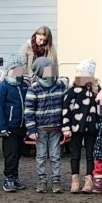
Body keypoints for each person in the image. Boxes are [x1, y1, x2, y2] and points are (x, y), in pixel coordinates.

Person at [25, 57, 67, 193]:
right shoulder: (34, 88)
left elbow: (66, 107)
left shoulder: (60, 85)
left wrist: (65, 125)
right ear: (40, 72)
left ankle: (56, 181)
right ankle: (42, 181)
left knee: (55, 156)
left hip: (56, 127)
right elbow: (29, 110)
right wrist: (31, 129)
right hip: (40, 128)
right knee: (41, 156)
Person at [62, 60, 100, 194]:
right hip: (75, 128)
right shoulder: (71, 92)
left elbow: (101, 110)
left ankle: (89, 179)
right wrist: (66, 128)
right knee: (75, 154)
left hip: (91, 128)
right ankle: (75, 179)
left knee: (90, 154)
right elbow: (66, 110)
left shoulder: (96, 91)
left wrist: (100, 125)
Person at [0, 55, 29, 193]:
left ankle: (15, 177)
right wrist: (2, 127)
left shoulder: (23, 85)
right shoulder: (3, 87)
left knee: (18, 153)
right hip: (9, 128)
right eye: (15, 69)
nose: (18, 71)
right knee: (11, 153)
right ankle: (8, 178)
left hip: (21, 126)